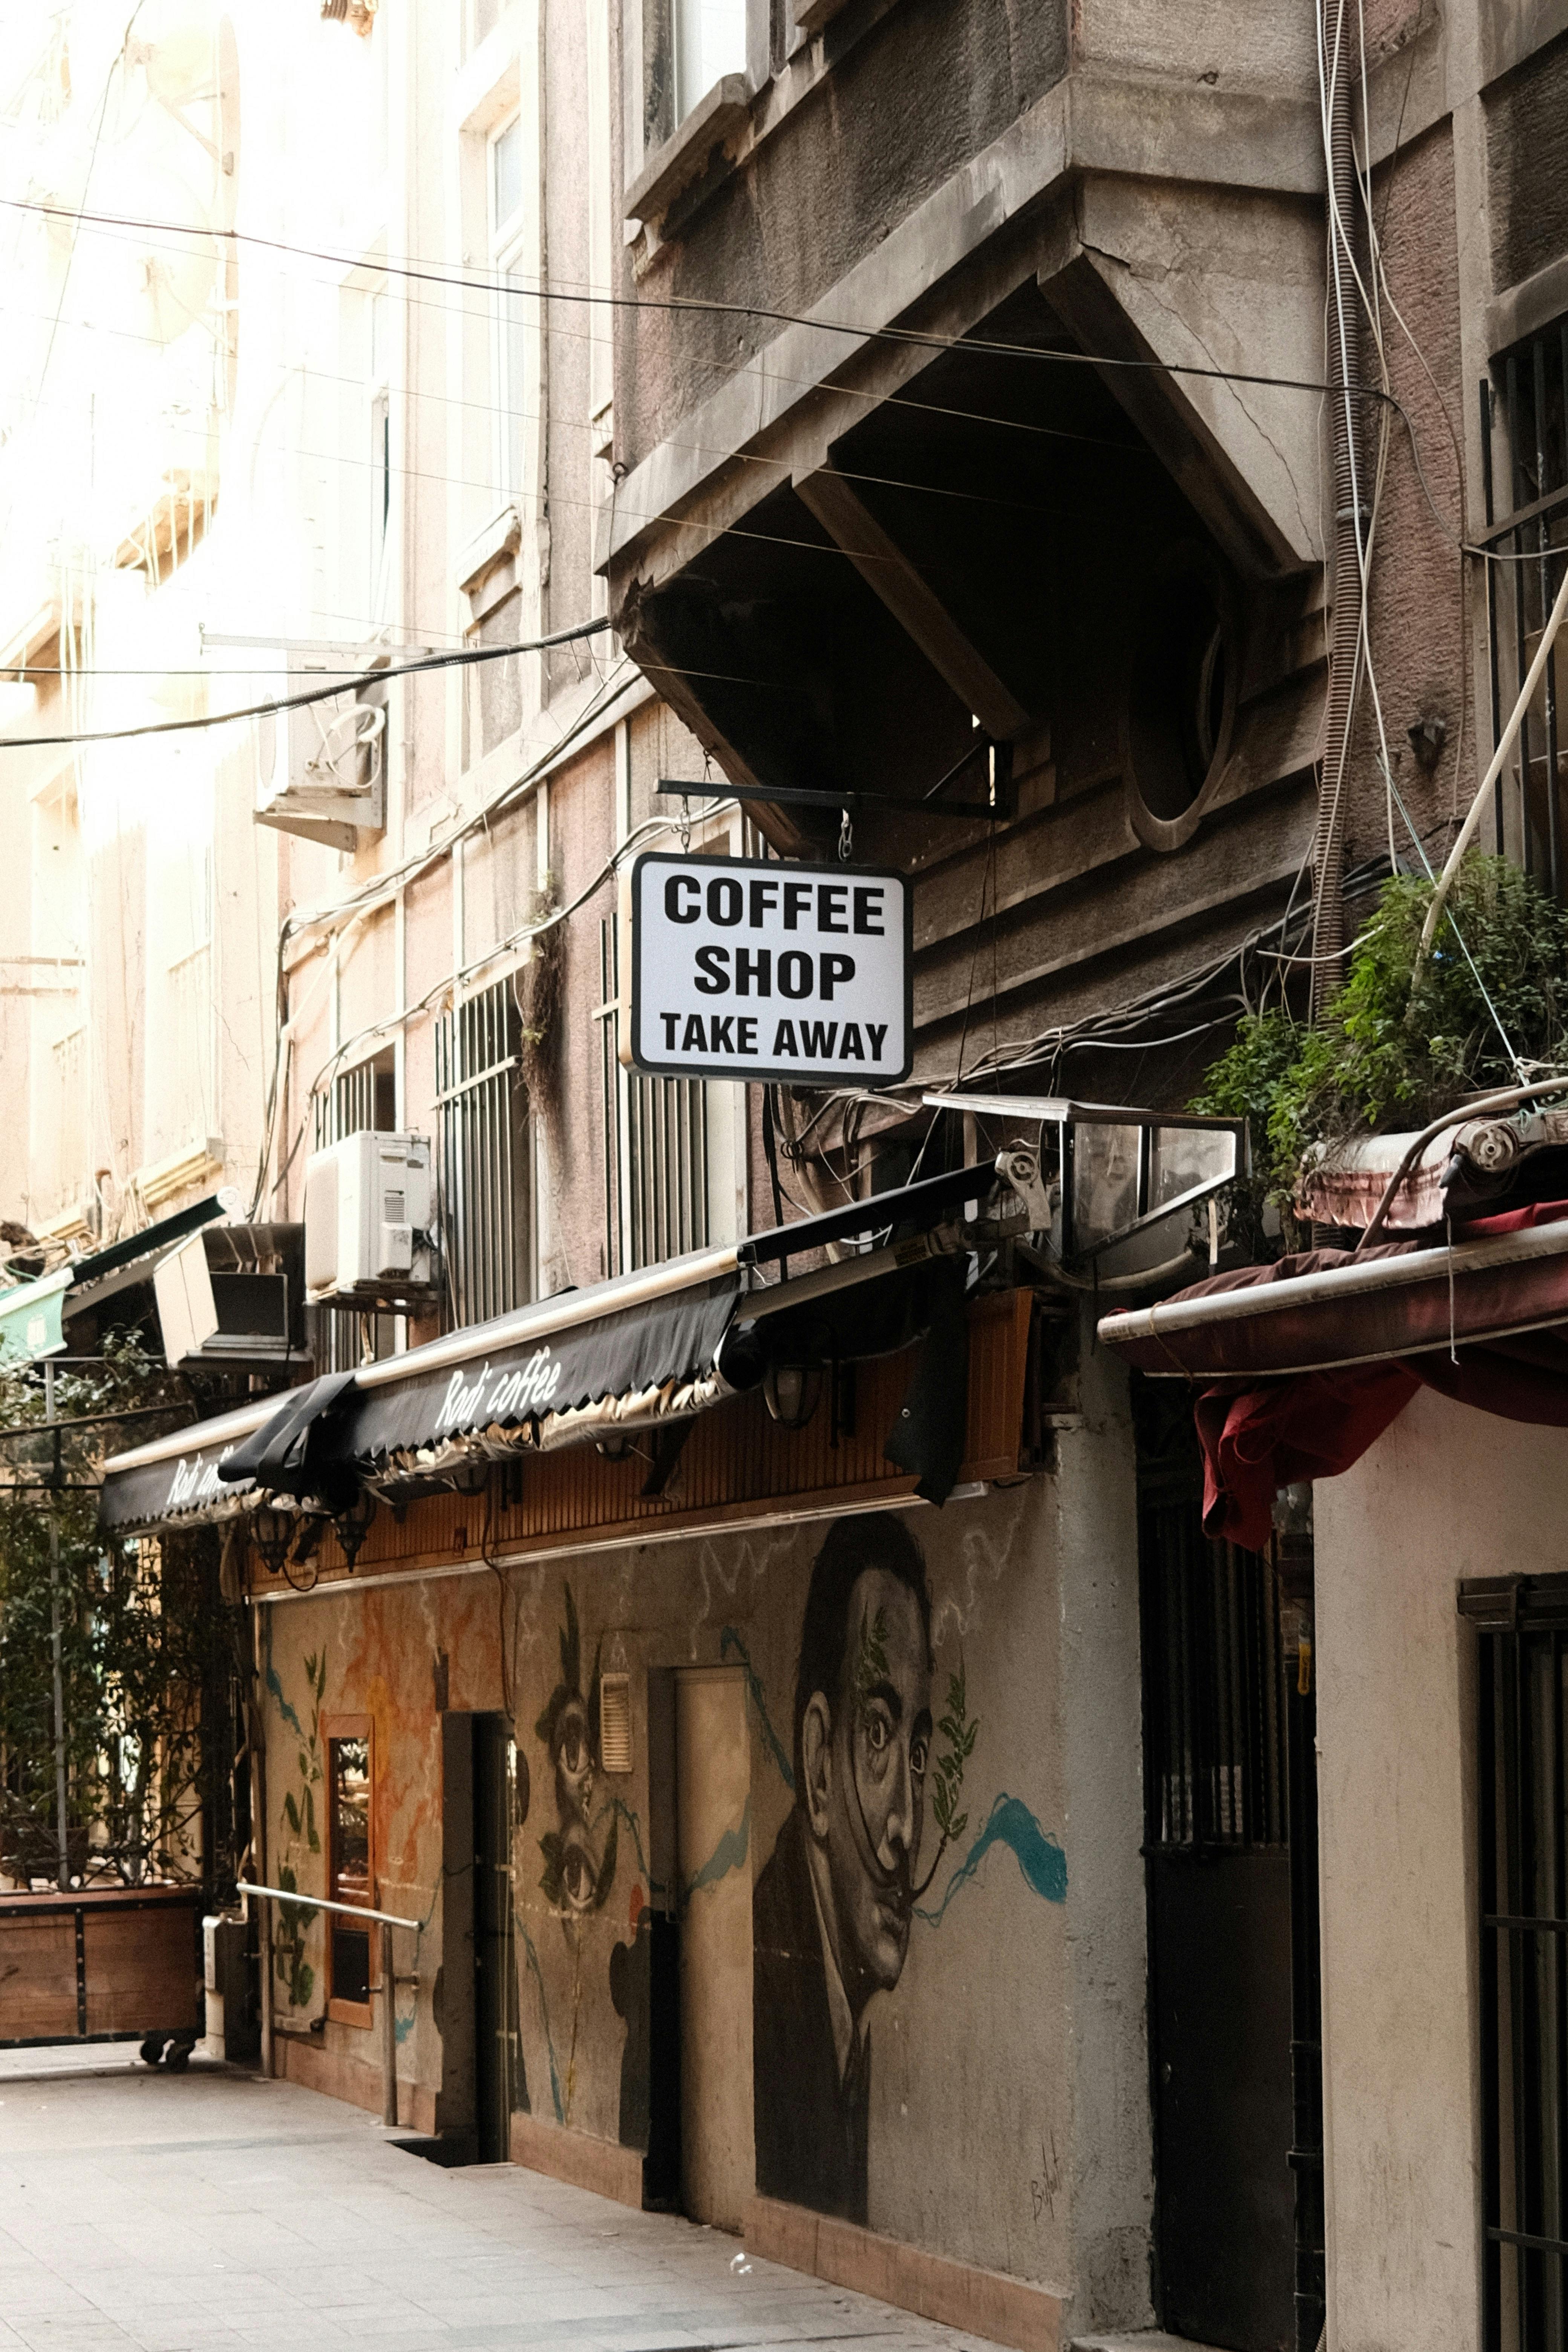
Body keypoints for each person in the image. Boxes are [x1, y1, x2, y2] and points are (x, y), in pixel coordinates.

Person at [752, 1511, 933, 2223]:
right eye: (879, 1733)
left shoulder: (840, 2005)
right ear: (820, 1770)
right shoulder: (776, 1970)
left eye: (916, 1751)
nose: (906, 1828)